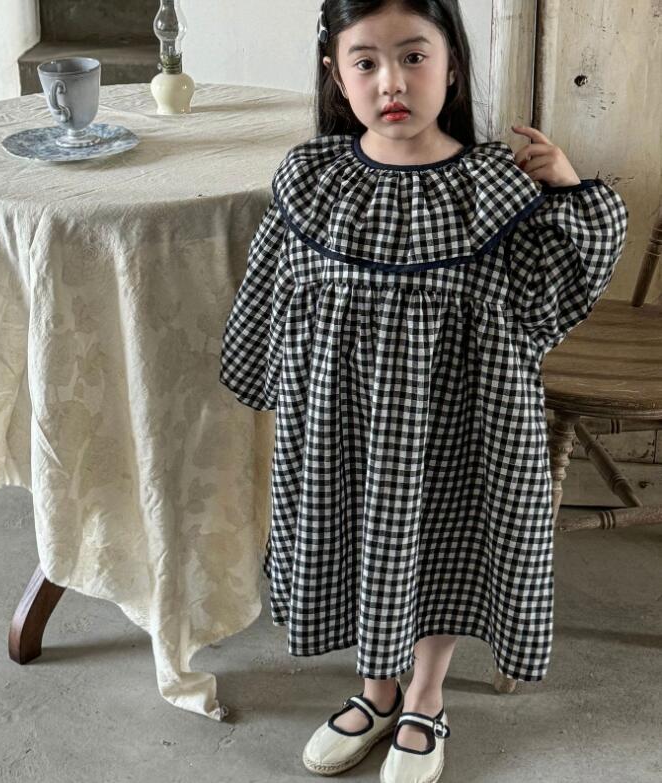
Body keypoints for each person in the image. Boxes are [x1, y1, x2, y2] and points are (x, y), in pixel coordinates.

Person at [219, 0, 629, 780]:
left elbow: (560, 288)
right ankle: (376, 691)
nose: (391, 82)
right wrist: (265, 383)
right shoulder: (310, 179)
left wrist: (571, 192)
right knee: (362, 546)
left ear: (452, 65)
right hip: (341, 427)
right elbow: (270, 288)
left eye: (413, 56)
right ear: (335, 75)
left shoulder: (494, 188)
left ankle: (425, 696)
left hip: (462, 430)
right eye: (366, 62)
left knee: (441, 551)